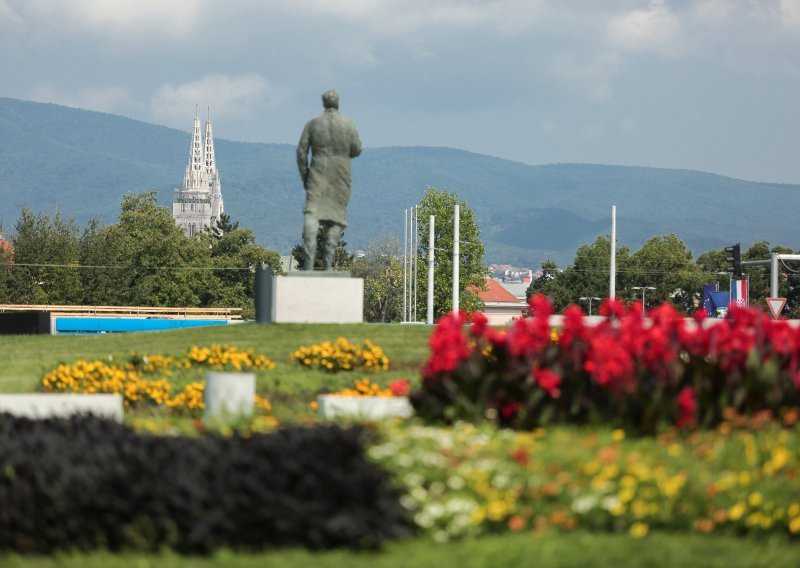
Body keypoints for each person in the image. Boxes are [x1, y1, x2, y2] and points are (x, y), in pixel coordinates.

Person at [296, 89, 361, 270]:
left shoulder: (313, 124)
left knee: (312, 214)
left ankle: (308, 265)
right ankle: (328, 265)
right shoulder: (348, 124)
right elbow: (356, 149)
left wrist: (305, 176)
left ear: (324, 103)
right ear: (337, 103)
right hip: (340, 174)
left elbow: (302, 152)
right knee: (337, 217)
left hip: (317, 172)